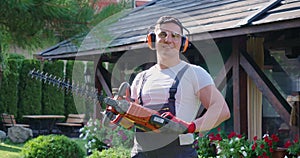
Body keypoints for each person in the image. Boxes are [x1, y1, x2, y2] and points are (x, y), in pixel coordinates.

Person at [129, 16, 231, 158]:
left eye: (175, 36)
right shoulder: (141, 78)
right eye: (163, 34)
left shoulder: (194, 73)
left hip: (179, 152)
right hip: (140, 152)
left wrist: (191, 127)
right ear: (152, 40)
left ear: (183, 42)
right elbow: (129, 123)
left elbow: (221, 110)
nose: (168, 40)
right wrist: (119, 113)